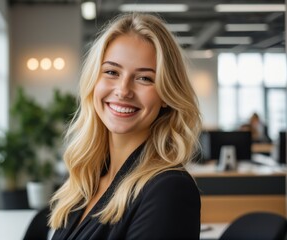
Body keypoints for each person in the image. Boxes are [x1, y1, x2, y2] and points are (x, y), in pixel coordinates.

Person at [48, 13, 202, 239]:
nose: (123, 90)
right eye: (111, 72)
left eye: (144, 78)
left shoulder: (169, 191)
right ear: (94, 81)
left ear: (167, 95)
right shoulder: (87, 178)